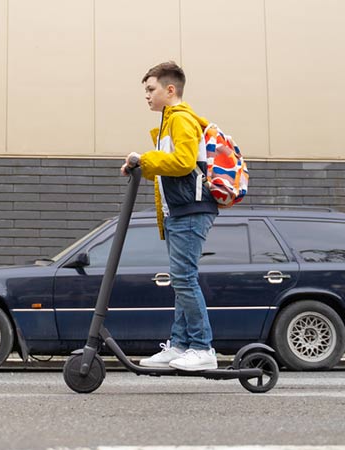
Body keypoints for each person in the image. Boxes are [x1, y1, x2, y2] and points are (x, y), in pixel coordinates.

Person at [121, 61, 219, 371]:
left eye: (151, 89)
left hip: (191, 211)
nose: (147, 96)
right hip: (179, 211)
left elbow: (183, 162)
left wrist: (145, 159)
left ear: (170, 89)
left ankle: (203, 348)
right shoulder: (168, 123)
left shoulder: (181, 120)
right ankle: (179, 344)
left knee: (184, 278)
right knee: (180, 280)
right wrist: (142, 165)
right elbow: (170, 171)